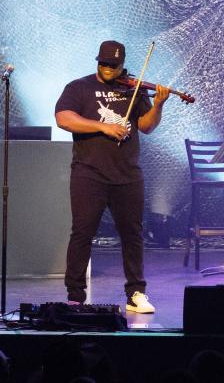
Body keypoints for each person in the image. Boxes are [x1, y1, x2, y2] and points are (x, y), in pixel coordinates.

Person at [54, 39, 169, 314]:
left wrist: (158, 105)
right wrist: (102, 127)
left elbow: (145, 126)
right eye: (103, 63)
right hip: (89, 173)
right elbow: (63, 118)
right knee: (82, 232)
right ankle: (75, 296)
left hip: (127, 174)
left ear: (122, 65)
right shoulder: (79, 87)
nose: (107, 68)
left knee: (133, 234)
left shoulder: (134, 90)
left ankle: (136, 293)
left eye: (113, 65)